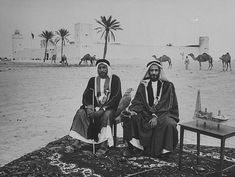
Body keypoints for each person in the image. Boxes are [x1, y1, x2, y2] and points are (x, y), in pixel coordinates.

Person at [122, 60, 179, 158]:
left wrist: (155, 116)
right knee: (130, 118)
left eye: (156, 70)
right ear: (148, 72)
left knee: (170, 124)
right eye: (151, 70)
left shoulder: (168, 86)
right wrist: (133, 111)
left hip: (164, 113)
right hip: (146, 113)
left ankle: (165, 151)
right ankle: (130, 147)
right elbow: (138, 101)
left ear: (159, 72)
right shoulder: (143, 85)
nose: (153, 73)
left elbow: (167, 104)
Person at [66, 59, 122, 156]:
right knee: (80, 113)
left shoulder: (115, 79)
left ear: (108, 68)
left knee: (107, 115)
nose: (102, 70)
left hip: (109, 108)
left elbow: (116, 96)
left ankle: (104, 145)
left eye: (104, 68)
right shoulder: (93, 80)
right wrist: (89, 107)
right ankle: (77, 141)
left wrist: (103, 109)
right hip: (94, 107)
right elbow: (86, 95)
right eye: (99, 68)